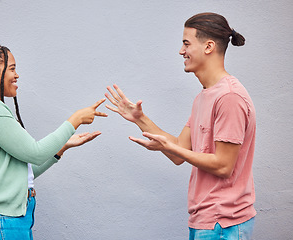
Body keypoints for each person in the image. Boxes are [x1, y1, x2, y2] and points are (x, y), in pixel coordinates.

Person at [105, 13, 256, 240]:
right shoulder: (204, 97)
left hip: (223, 224)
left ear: (208, 46)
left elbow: (224, 166)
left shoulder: (229, 97)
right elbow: (178, 150)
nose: (180, 51)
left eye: (186, 43)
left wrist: (175, 149)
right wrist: (139, 119)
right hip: (205, 221)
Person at [0, 43, 107, 239]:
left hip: (0, 219)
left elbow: (20, 174)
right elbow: (35, 153)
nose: (17, 75)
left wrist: (62, 148)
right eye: (12, 68)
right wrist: (75, 120)